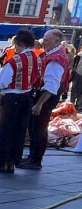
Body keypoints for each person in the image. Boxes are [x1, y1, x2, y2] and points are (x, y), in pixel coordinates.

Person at [0, 30, 41, 174]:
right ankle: (12, 161)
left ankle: (1, 163)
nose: (15, 49)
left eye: (16, 46)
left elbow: (1, 83)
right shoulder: (38, 59)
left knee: (5, 131)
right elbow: (37, 78)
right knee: (19, 131)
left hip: (12, 98)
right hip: (27, 97)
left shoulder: (15, 60)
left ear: (21, 44)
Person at [21, 29, 69, 170]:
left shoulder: (56, 59)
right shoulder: (52, 54)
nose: (44, 41)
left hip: (46, 97)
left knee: (39, 128)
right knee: (35, 127)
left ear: (56, 41)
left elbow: (52, 84)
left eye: (47, 39)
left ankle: (35, 160)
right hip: (44, 95)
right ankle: (33, 157)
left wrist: (39, 104)